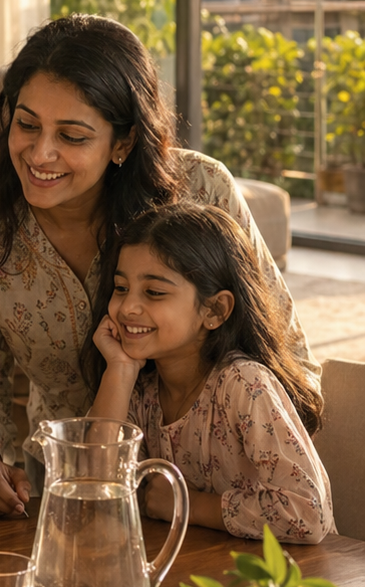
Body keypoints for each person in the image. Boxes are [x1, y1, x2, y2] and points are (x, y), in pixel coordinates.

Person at [0, 14, 319, 519]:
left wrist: (211, 499)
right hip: (66, 479)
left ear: (123, 142)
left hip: (223, 490)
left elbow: (286, 355)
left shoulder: (203, 191)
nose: (40, 153)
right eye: (27, 125)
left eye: (71, 136)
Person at [86, 202, 334, 542]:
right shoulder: (136, 390)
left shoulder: (245, 385)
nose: (128, 307)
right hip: (191, 575)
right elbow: (93, 495)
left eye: (154, 292)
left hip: (278, 584)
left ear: (215, 310)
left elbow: (309, 513)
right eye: (121, 288)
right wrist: (119, 370)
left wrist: (186, 505)